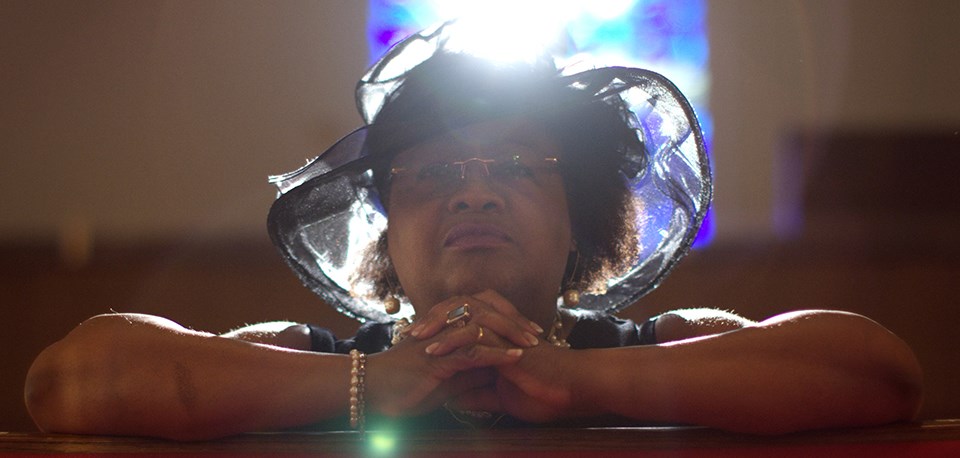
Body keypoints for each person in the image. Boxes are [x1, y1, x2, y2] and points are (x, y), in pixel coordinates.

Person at [24, 21, 922, 440]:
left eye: (516, 170)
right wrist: (371, 387)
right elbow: (69, 381)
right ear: (387, 228)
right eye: (437, 177)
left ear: (580, 220)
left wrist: (574, 382)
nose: (475, 196)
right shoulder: (313, 361)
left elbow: (877, 375)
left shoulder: (660, 349)